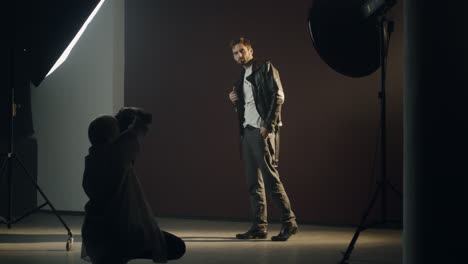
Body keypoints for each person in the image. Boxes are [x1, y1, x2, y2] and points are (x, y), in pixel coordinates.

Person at [81, 107, 185, 264]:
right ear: (111, 136)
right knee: (176, 247)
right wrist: (133, 111)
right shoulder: (116, 154)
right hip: (120, 232)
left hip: (94, 232)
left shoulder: (93, 159)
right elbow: (142, 125)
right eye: (117, 130)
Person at [228, 37, 298, 241]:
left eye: (242, 51)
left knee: (270, 179)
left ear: (250, 51)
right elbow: (247, 106)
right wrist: (234, 102)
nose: (239, 55)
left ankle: (289, 222)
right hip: (247, 132)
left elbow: (279, 96)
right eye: (235, 53)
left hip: (261, 131)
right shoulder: (240, 78)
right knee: (253, 183)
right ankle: (259, 227)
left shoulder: (265, 68)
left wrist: (268, 125)